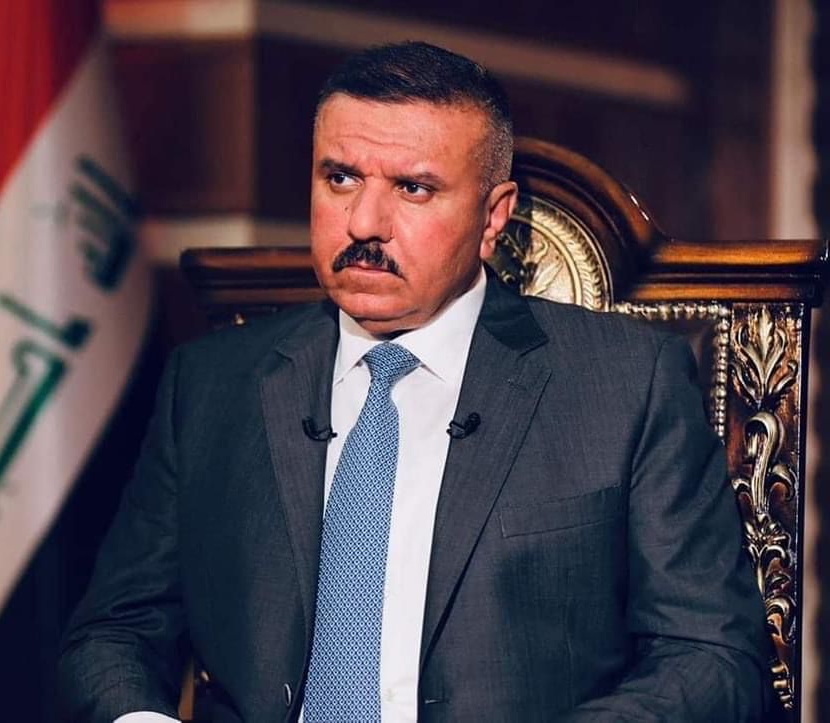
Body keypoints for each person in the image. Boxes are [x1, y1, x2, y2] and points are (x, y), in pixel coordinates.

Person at [59, 41, 768, 722]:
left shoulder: (625, 384)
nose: (364, 223)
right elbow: (113, 632)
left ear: (493, 217)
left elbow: (712, 657)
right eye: (340, 178)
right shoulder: (211, 383)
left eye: (414, 188)